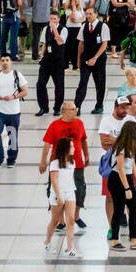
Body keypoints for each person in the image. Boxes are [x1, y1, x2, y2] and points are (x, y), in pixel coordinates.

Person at [40, 101, 90, 235]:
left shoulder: (79, 123)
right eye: (73, 109)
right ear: (64, 111)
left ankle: (76, 215)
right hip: (59, 164)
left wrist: (87, 155)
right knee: (56, 190)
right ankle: (61, 221)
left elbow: (83, 140)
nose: (76, 110)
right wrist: (43, 162)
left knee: (79, 189)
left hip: (77, 163)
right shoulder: (55, 125)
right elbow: (47, 145)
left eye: (76, 108)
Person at [107, 121, 136, 251]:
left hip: (127, 179)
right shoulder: (121, 146)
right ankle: (114, 240)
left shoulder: (131, 144)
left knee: (135, 208)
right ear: (132, 131)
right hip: (118, 180)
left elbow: (132, 162)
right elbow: (120, 168)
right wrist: (127, 188)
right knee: (119, 210)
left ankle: (134, 239)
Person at [44, 137, 82, 258]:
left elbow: (71, 177)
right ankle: (48, 241)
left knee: (70, 220)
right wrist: (58, 196)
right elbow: (54, 180)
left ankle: (70, 248)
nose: (74, 148)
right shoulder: (55, 163)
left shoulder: (72, 162)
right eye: (71, 146)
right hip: (57, 194)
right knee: (55, 220)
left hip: (70, 192)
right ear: (65, 148)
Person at [0, 55, 27, 168]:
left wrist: (14, 96)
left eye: (7, 60)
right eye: (3, 60)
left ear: (11, 62)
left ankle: (11, 158)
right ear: (0, 62)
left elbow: (25, 91)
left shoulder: (17, 75)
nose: (5, 62)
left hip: (13, 112)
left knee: (12, 136)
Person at [76, 3, 111, 116]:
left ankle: (99, 105)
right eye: (87, 14)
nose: (89, 16)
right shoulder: (83, 26)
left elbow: (104, 44)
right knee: (82, 83)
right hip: (86, 59)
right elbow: (81, 44)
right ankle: (77, 106)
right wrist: (78, 60)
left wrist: (95, 58)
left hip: (99, 60)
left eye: (91, 14)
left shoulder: (103, 26)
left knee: (100, 83)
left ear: (96, 14)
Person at [34, 12, 68, 117]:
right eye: (50, 18)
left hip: (58, 60)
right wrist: (42, 54)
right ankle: (43, 107)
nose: (52, 20)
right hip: (47, 59)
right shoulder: (45, 29)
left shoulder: (64, 29)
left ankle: (57, 108)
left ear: (58, 20)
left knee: (59, 85)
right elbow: (44, 43)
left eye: (54, 18)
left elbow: (60, 42)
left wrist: (55, 29)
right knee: (40, 84)